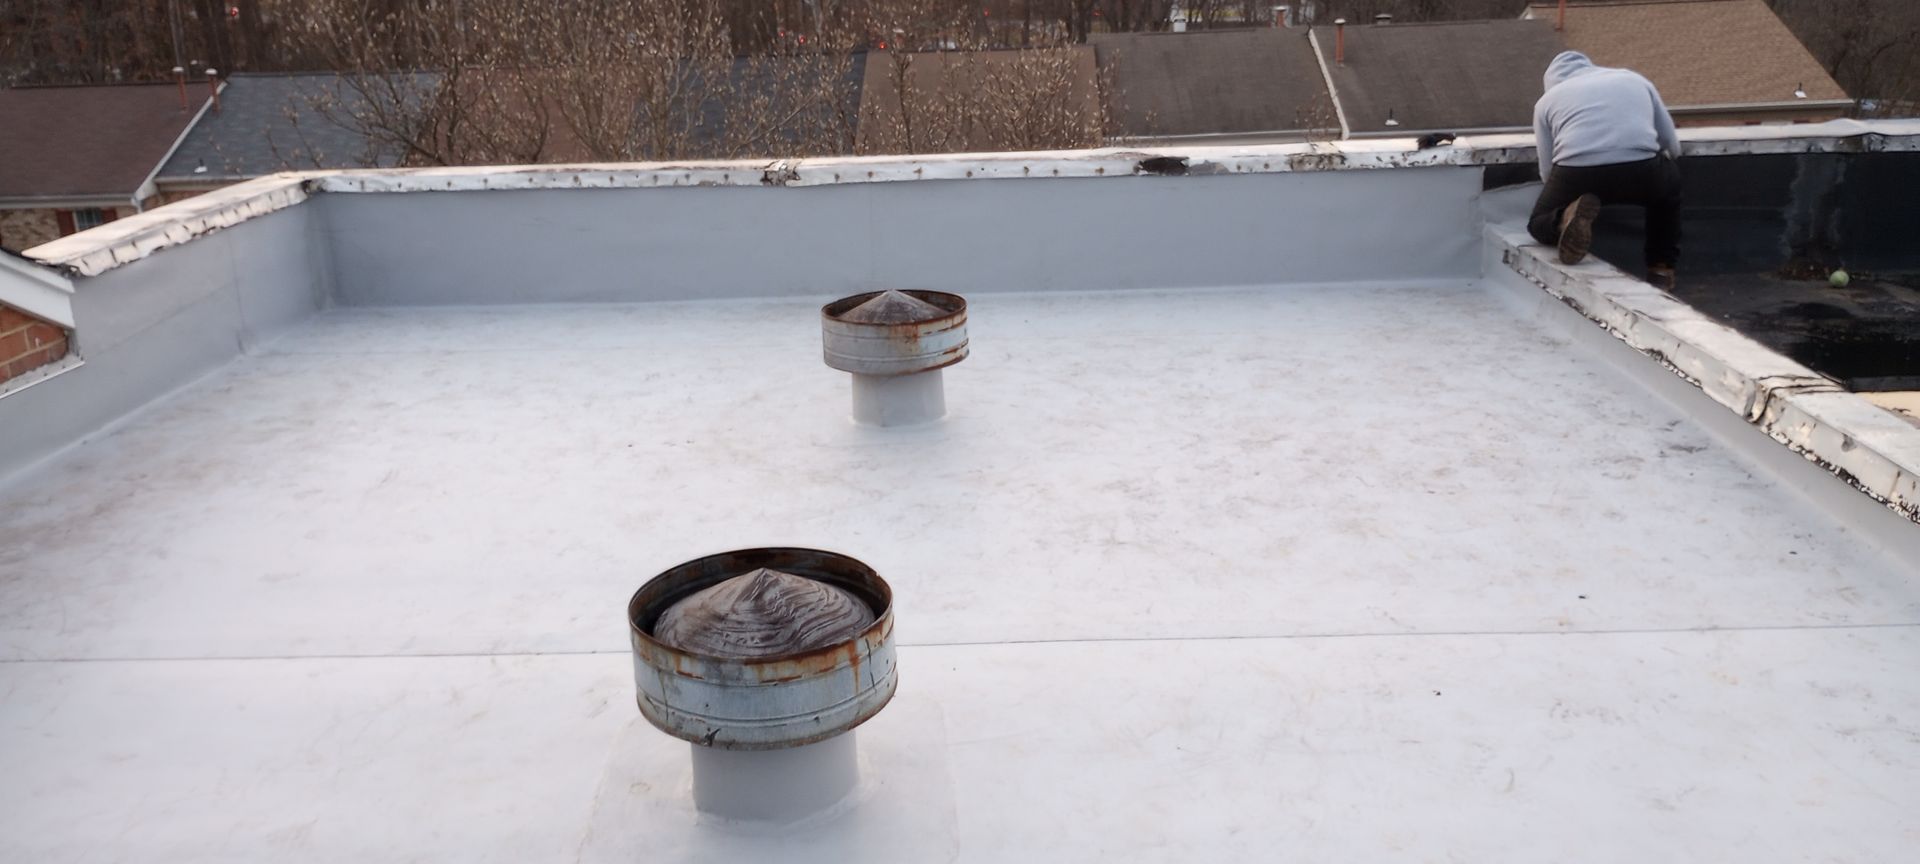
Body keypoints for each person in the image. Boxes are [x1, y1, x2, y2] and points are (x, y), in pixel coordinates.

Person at [1528, 51, 1683, 289]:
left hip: (1578, 173)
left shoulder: (1546, 102)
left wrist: (1563, 198)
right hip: (1640, 168)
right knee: (1666, 192)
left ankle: (1563, 220)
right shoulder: (1634, 79)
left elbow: (1547, 170)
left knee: (1538, 222)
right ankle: (1660, 268)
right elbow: (1671, 144)